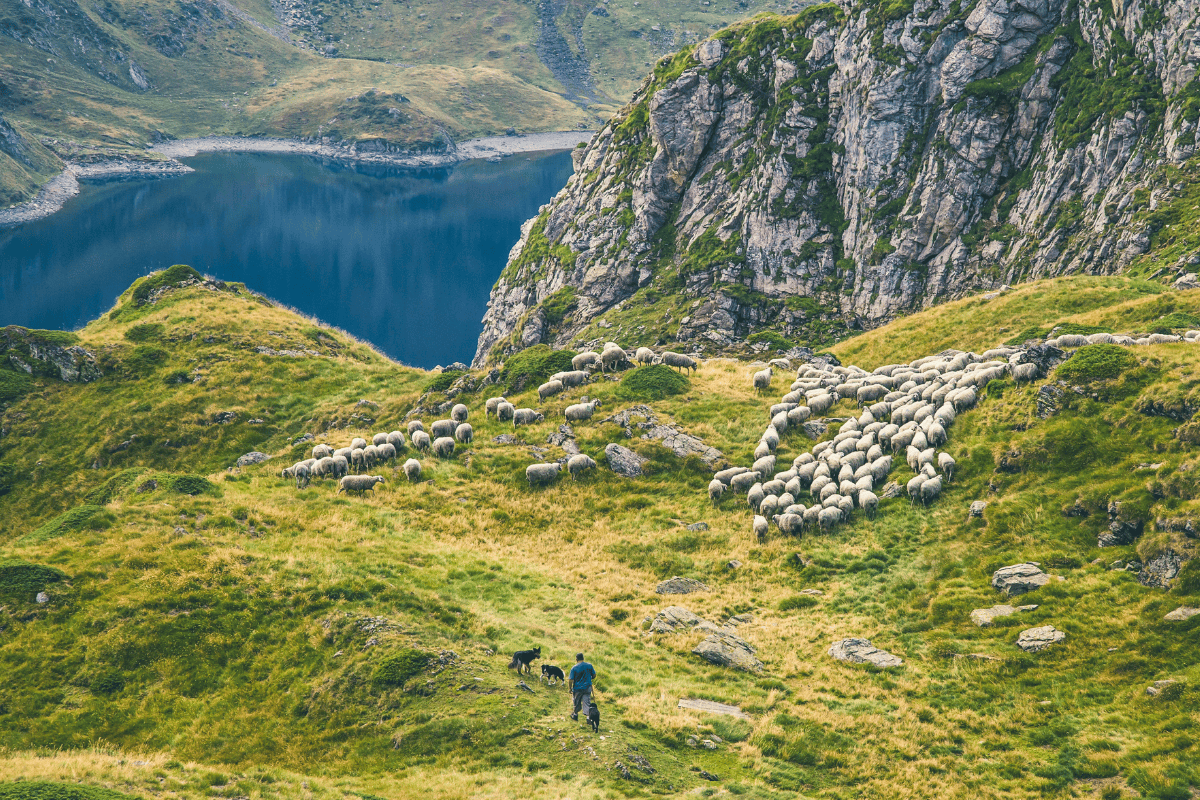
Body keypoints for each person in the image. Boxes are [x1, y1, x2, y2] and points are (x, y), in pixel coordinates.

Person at [568, 652, 595, 721]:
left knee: (577, 702)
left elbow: (570, 679)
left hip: (577, 688)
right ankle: (588, 718)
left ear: (576, 659)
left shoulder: (574, 668)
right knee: (587, 702)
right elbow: (594, 675)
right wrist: (589, 678)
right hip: (587, 688)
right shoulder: (589, 665)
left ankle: (575, 715)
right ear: (583, 658)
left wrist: (570, 688)